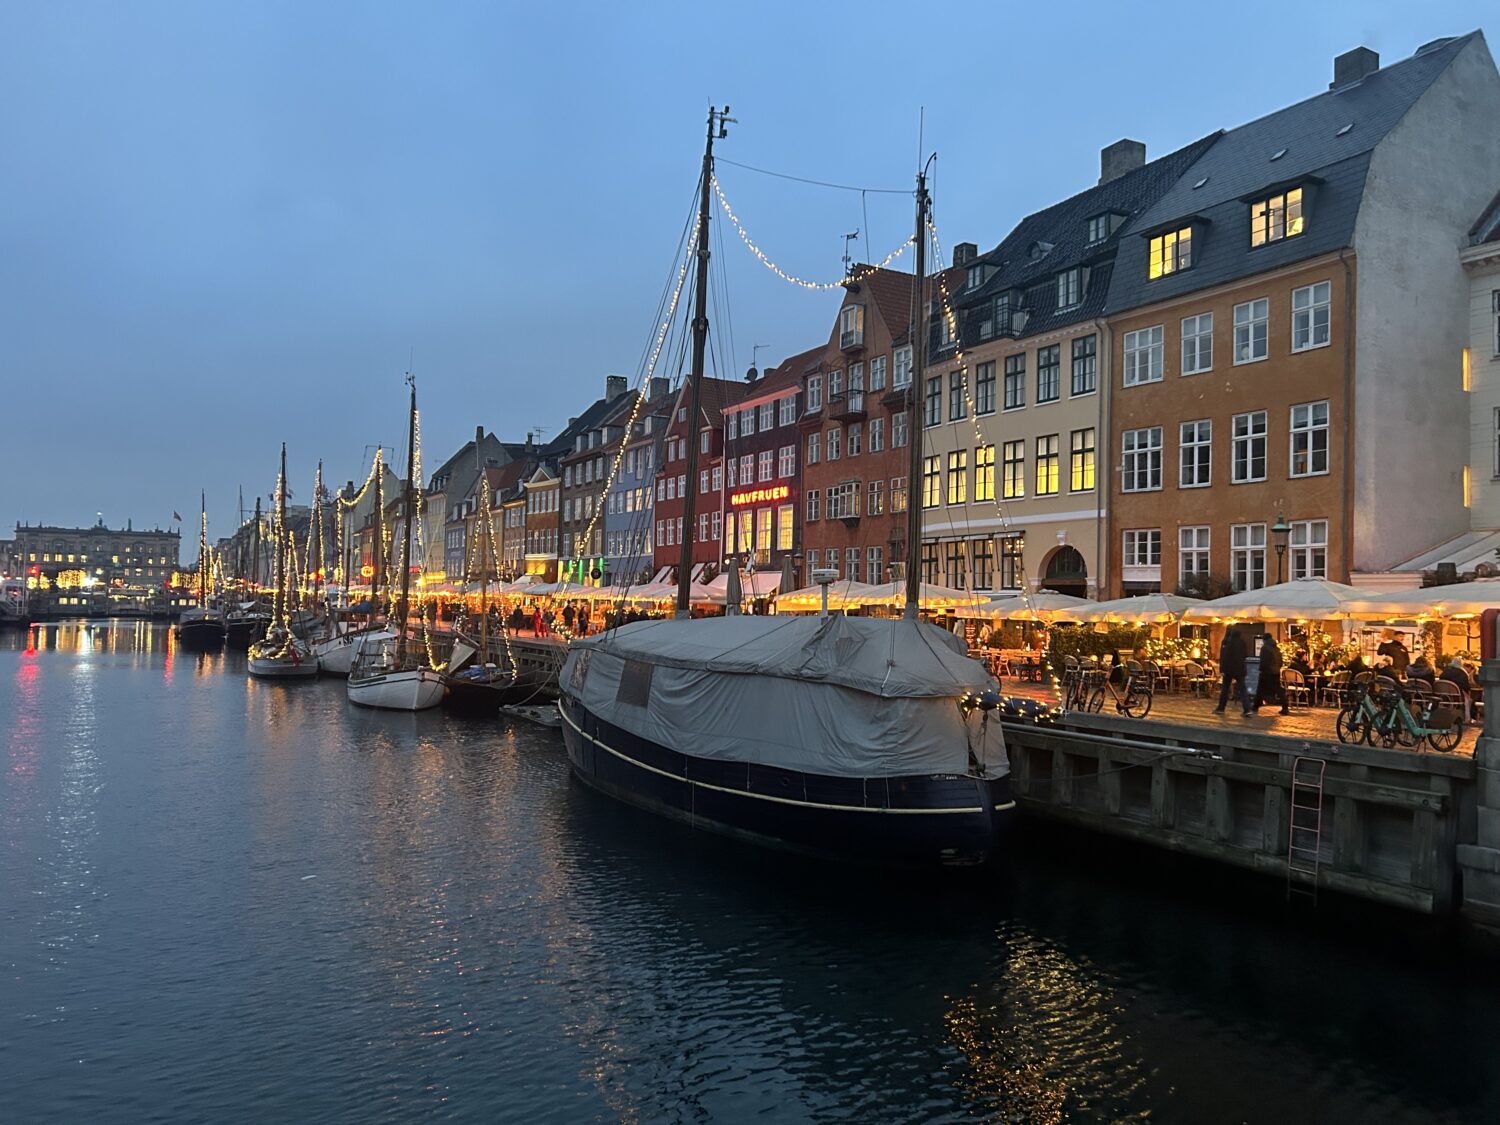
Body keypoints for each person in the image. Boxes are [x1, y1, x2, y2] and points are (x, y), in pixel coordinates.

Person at [1215, 629, 1247, 715]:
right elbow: (1245, 655)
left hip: (1228, 669)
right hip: (1240, 669)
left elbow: (1223, 656)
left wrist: (1222, 669)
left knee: (1225, 689)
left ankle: (1221, 708)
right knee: (1243, 689)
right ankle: (1247, 709)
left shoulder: (1226, 641)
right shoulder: (1242, 642)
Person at [1256, 632, 1287, 715]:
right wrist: (1278, 668)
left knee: (1260, 689)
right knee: (1278, 689)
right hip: (1276, 671)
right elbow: (1280, 661)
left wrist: (1261, 669)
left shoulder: (1265, 648)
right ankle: (1285, 706)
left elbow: (1264, 661)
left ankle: (1255, 706)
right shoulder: (1276, 648)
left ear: (1264, 639)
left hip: (1267, 671)